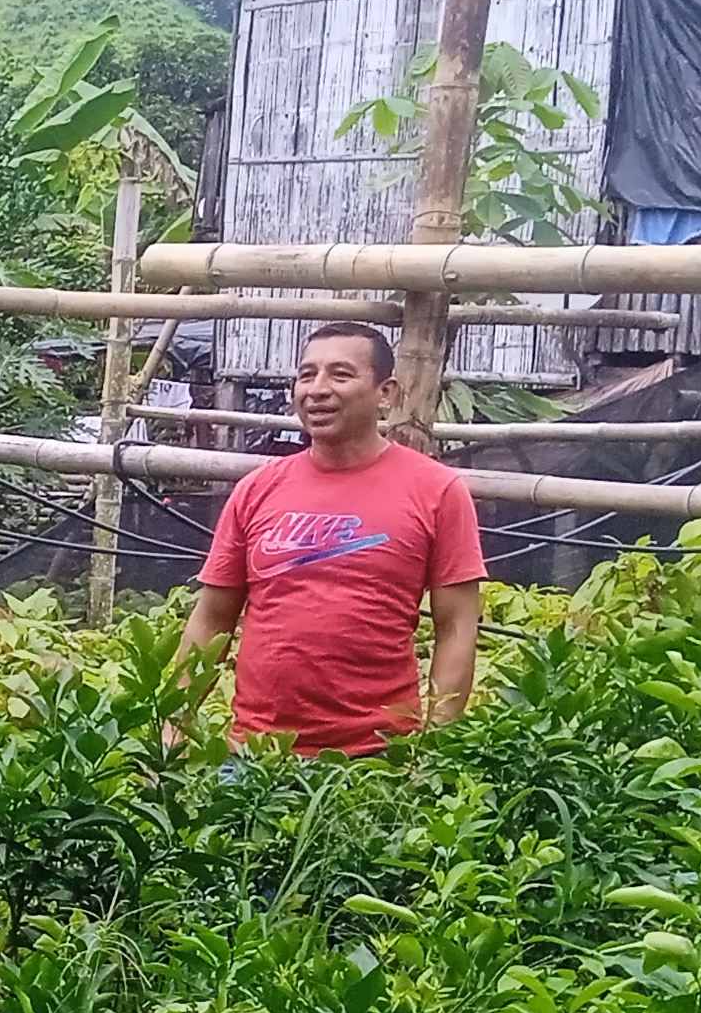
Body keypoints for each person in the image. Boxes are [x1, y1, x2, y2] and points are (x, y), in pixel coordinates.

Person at [182, 321, 489, 755]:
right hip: (254, 756)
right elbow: (212, 619)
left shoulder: (436, 491)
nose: (317, 389)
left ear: (386, 393)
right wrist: (174, 723)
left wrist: (433, 747)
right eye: (307, 375)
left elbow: (456, 628)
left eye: (340, 375)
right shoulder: (257, 489)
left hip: (377, 758)